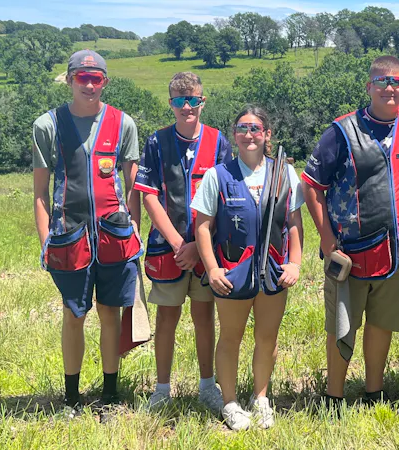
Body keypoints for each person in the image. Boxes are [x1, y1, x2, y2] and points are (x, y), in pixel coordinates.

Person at [302, 56, 399, 407]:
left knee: (381, 324)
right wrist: (327, 241)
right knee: (342, 327)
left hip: (397, 251)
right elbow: (311, 184)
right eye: (381, 81)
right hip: (350, 252)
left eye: (397, 82)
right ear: (368, 87)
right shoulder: (342, 131)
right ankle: (334, 397)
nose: (389, 88)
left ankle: (374, 392)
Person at [32, 50, 142, 419]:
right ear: (70, 80)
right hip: (69, 236)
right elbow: (40, 193)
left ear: (105, 82)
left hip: (114, 236)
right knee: (73, 314)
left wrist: (135, 228)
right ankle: (71, 398)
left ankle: (110, 395)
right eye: (83, 77)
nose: (90, 85)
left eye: (97, 79)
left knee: (110, 313)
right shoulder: (48, 125)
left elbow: (133, 186)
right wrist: (45, 242)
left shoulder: (123, 123)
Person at [191, 106, 303, 430]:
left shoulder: (285, 174)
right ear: (234, 134)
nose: (249, 134)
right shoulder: (217, 175)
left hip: (273, 271)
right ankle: (229, 403)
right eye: (242, 128)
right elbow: (202, 227)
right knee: (230, 338)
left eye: (255, 128)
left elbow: (294, 223)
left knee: (267, 338)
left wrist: (295, 263)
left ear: (267, 134)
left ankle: (261, 398)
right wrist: (213, 269)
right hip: (232, 272)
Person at [134, 72, 233, 413]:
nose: (186, 107)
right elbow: (148, 196)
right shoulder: (156, 141)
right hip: (168, 250)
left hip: (207, 250)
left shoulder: (219, 142)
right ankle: (162, 390)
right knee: (167, 318)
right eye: (179, 100)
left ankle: (207, 386)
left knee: (204, 317)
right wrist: (179, 244)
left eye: (193, 100)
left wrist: (198, 246)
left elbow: (225, 197)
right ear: (170, 103)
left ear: (202, 101)